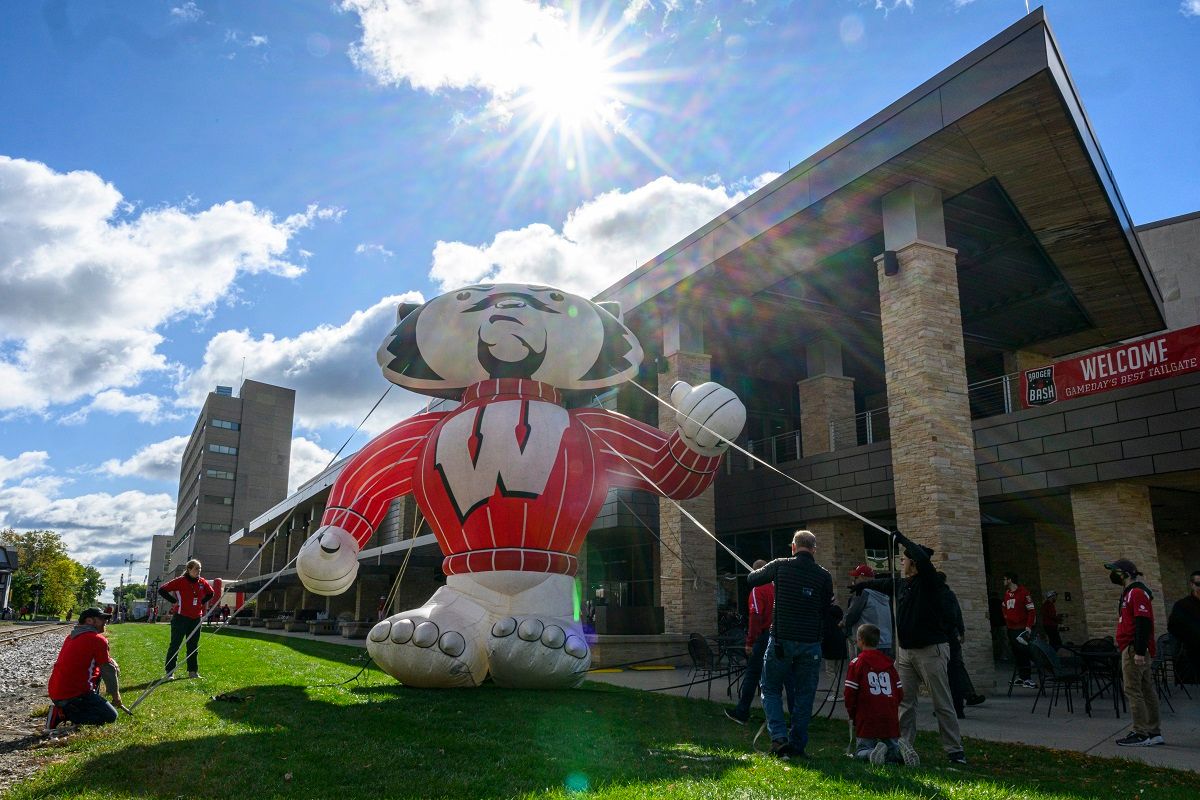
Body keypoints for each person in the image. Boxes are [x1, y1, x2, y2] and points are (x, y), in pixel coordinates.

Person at [854, 532, 965, 765]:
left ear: (913, 562)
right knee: (904, 701)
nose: (901, 563)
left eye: (904, 560)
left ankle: (955, 751)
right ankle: (902, 746)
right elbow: (884, 583)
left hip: (930, 651)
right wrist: (863, 586)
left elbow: (924, 562)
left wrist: (902, 539)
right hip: (905, 653)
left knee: (941, 702)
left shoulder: (929, 582)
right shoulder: (904, 584)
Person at [746, 530, 833, 760]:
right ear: (813, 549)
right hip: (810, 643)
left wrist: (760, 571)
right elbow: (826, 610)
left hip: (781, 641)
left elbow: (752, 580)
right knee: (804, 694)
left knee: (771, 688)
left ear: (793, 547)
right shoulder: (824, 576)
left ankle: (779, 739)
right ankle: (797, 745)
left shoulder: (780, 566)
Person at [725, 559, 795, 725]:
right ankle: (795, 717)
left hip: (764, 637)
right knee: (788, 677)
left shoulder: (758, 591)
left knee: (753, 674)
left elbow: (755, 617)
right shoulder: (779, 589)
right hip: (783, 636)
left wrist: (750, 641)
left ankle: (742, 712)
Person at [1106, 558, 1163, 746]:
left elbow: (1143, 622)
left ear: (1126, 574)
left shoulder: (1136, 592)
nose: (1113, 575)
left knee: (1133, 689)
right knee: (1146, 690)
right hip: (1131, 647)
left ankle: (1141, 732)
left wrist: (1138, 650)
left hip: (1133, 648)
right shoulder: (1129, 593)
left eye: (1116, 571)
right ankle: (1153, 732)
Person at [844, 623, 919, 766]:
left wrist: (852, 713)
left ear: (860, 640)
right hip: (889, 715)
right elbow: (899, 692)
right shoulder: (889, 664)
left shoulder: (857, 663)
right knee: (891, 746)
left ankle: (871, 753)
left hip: (867, 715)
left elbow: (850, 693)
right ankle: (899, 753)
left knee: (862, 749)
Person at [46, 607, 122, 728]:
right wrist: (116, 695)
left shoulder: (71, 636)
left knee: (99, 668)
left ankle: (73, 709)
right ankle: (62, 714)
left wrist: (110, 661)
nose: (105, 622)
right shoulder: (97, 639)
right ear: (89, 621)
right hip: (73, 695)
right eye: (102, 619)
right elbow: (108, 670)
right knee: (110, 716)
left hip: (55, 692)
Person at [158, 559, 214, 679]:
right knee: (175, 644)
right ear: (189, 570)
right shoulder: (180, 581)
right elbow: (162, 590)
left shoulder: (202, 582)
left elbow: (211, 593)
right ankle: (170, 672)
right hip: (180, 617)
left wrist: (201, 602)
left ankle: (193, 671)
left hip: (196, 618)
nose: (198, 571)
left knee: (193, 645)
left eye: (200, 569)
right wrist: (174, 601)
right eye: (196, 569)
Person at [939, 573, 985, 718]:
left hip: (943, 639)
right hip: (950, 638)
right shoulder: (949, 594)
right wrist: (961, 631)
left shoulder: (938, 596)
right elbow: (957, 614)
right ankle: (966, 697)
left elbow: (954, 615)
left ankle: (955, 704)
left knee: (950, 673)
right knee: (956, 669)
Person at [843, 564, 893, 659]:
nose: (854, 580)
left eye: (856, 577)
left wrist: (843, 623)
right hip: (886, 642)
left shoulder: (863, 593)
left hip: (868, 643)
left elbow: (851, 616)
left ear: (862, 577)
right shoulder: (883, 594)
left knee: (864, 672)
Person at [1000, 571, 1036, 689]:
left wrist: (1028, 626)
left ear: (1010, 580)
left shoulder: (1023, 592)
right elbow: (1004, 606)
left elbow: (1031, 610)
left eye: (1005, 579)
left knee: (1024, 652)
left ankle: (1028, 678)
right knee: (1016, 652)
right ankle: (1021, 677)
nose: (1003, 581)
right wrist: (1006, 617)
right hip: (1011, 628)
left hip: (1021, 628)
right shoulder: (1007, 594)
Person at [1167, 570, 1200, 684]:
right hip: (1192, 656)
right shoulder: (1182, 605)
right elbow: (1173, 628)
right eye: (1198, 584)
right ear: (1192, 585)